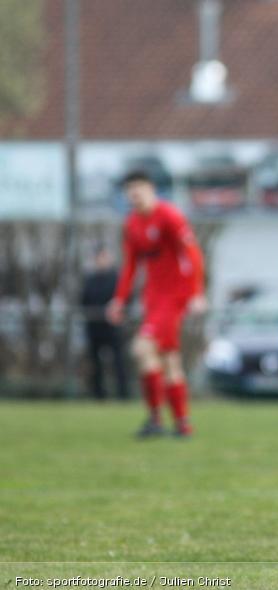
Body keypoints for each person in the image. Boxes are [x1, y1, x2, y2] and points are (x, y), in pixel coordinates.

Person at [106, 171, 206, 438]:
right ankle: (182, 424)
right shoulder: (133, 224)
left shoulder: (169, 216)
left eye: (138, 188)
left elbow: (192, 253)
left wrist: (197, 292)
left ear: (151, 189)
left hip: (173, 298)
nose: (134, 194)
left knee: (141, 349)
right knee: (169, 360)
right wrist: (119, 299)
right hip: (153, 298)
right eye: (130, 190)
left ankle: (156, 419)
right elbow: (130, 266)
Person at [80, 245, 129, 400]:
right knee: (95, 363)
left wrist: (117, 312)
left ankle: (123, 394)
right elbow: (84, 300)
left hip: (113, 327)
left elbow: (125, 298)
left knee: (119, 362)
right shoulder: (91, 280)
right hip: (95, 327)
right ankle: (98, 394)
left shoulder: (116, 279)